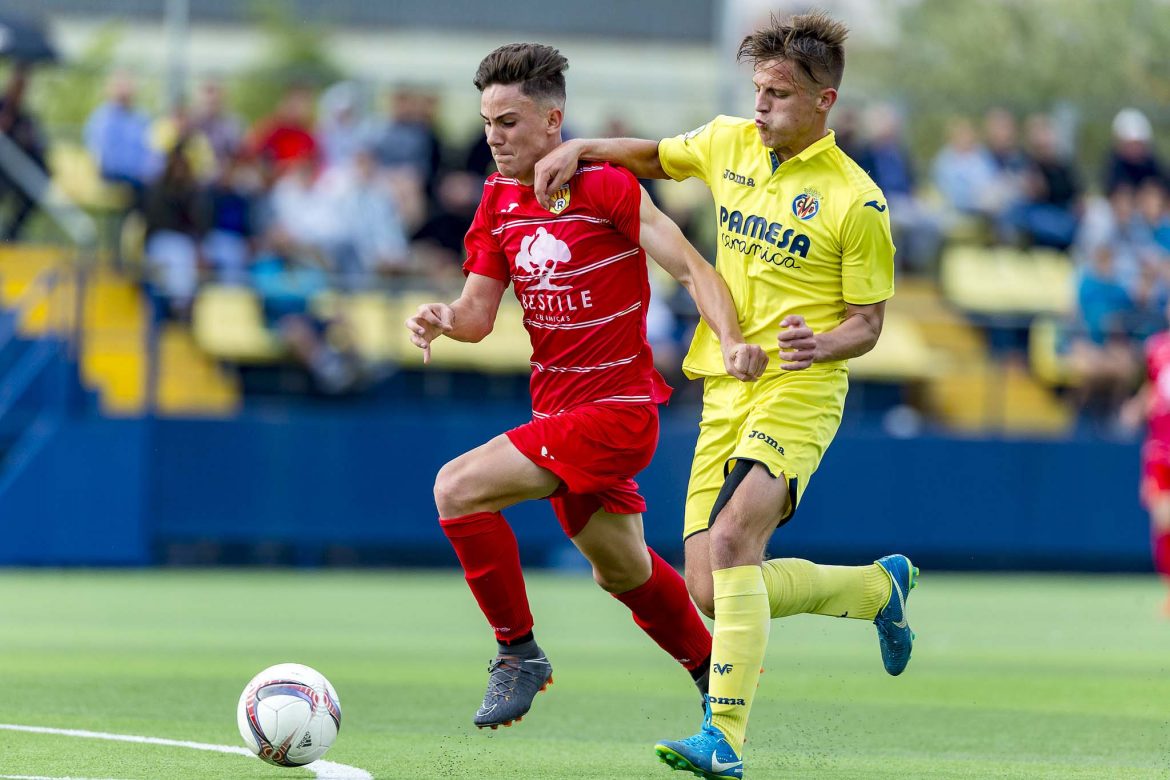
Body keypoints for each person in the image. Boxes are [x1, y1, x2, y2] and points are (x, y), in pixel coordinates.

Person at [535, 12, 915, 777]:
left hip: (800, 391)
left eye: (779, 94)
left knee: (737, 540)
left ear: (824, 101)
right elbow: (656, 156)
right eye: (758, 91)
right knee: (711, 588)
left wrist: (822, 344)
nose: (762, 106)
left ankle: (724, 739)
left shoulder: (858, 202)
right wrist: (581, 147)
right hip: (724, 386)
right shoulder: (728, 142)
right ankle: (876, 589)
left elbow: (868, 324)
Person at [404, 43, 768, 731]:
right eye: (487, 123)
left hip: (617, 412)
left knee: (456, 488)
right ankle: (717, 675)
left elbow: (692, 269)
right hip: (558, 411)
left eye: (509, 121)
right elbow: (477, 315)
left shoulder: (605, 186)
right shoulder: (497, 199)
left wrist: (731, 341)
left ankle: (518, 652)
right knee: (622, 570)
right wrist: (442, 318)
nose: (494, 137)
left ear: (553, 120)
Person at [1122, 300, 1170, 615]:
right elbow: (1152, 389)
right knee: (1163, 521)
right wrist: (1136, 408)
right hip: (1160, 448)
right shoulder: (1156, 347)